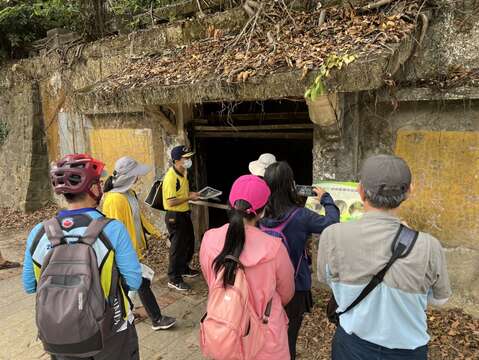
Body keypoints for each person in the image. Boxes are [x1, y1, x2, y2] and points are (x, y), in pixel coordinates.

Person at [317, 155, 451, 360]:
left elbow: (327, 280)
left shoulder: (332, 235)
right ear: (409, 191)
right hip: (407, 351)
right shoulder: (428, 246)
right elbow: (439, 299)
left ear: (360, 191)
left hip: (352, 346)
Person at [22, 154, 142, 360]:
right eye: (99, 183)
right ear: (93, 188)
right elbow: (134, 281)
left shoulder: (39, 232)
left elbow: (29, 285)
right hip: (110, 332)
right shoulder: (113, 230)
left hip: (59, 334)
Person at [200, 175, 295, 359]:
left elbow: (210, 279)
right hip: (266, 335)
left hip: (226, 328)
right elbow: (286, 293)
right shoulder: (274, 248)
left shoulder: (209, 238)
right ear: (263, 211)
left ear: (230, 204)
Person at [261, 161, 340, 360]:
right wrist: (326, 199)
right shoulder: (301, 216)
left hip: (264, 285)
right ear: (291, 184)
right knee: (289, 337)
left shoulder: (259, 213)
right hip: (294, 287)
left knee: (266, 332)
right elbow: (331, 222)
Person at [102, 156, 177, 330]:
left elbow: (139, 218)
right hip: (124, 252)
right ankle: (156, 319)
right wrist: (125, 255)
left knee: (133, 283)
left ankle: (124, 312)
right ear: (128, 176)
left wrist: (158, 234)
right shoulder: (114, 200)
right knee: (141, 282)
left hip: (133, 250)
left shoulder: (130, 193)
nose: (139, 177)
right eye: (136, 174)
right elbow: (114, 232)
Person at [162, 145, 200, 291]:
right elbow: (171, 201)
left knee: (188, 242)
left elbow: (181, 194)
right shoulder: (171, 177)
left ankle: (184, 268)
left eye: (189, 157)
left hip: (184, 213)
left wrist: (192, 194)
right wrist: (189, 197)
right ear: (177, 160)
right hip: (174, 216)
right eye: (186, 158)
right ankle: (174, 278)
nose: (189, 160)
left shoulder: (183, 172)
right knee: (177, 248)